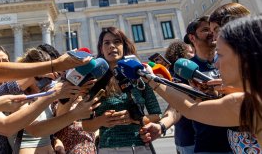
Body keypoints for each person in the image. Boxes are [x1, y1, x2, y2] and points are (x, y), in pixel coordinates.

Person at [143, 16, 262, 153]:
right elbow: (184, 107)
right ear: (192, 37)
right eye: (206, 29)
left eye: (221, 55)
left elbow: (190, 109)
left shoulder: (244, 103)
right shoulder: (245, 101)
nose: (217, 64)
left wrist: (151, 79)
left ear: (244, 56)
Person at [82, 27, 162, 154]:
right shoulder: (93, 81)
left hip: (140, 147)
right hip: (107, 148)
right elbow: (85, 125)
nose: (112, 46)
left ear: (124, 46)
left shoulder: (139, 75)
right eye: (106, 43)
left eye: (117, 41)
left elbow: (157, 115)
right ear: (101, 49)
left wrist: (134, 119)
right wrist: (101, 121)